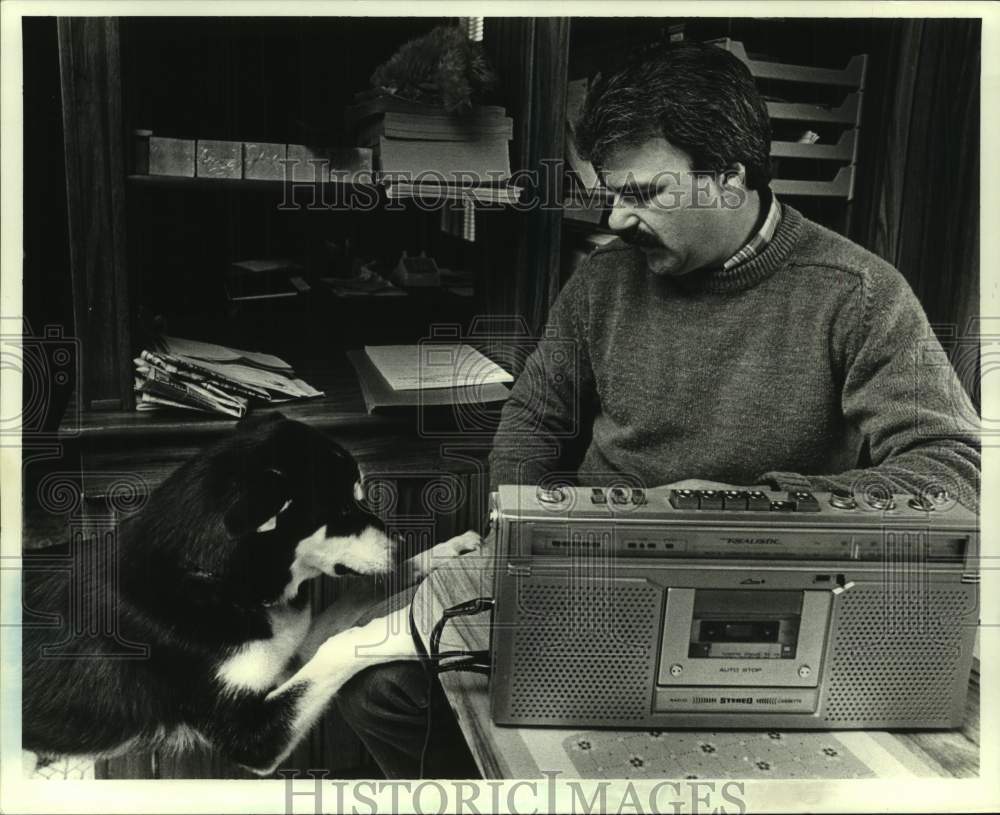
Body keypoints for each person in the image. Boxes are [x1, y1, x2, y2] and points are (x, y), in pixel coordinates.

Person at [335, 41, 980, 778]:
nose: (616, 218)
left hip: (758, 611)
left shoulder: (859, 293)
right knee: (373, 685)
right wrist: (516, 534)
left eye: (643, 193)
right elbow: (531, 423)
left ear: (730, 178)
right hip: (596, 576)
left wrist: (741, 508)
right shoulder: (604, 282)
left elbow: (953, 473)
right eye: (612, 191)